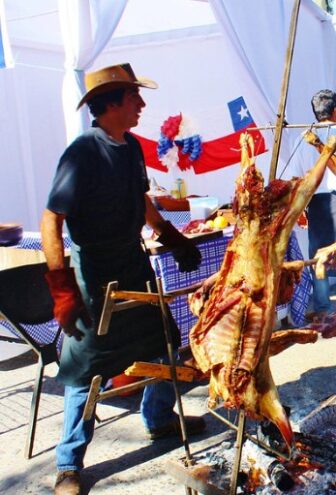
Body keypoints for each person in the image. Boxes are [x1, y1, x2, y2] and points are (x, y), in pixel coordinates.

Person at [41, 63, 206, 495]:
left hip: (135, 267)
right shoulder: (83, 153)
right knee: (85, 369)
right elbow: (51, 218)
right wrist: (61, 287)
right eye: (135, 98)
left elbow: (142, 198)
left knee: (167, 345)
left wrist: (170, 236)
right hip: (96, 279)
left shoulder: (131, 146)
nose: (142, 105)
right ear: (111, 103)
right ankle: (68, 465)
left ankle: (158, 420)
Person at [290, 89, 336, 316]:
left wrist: (300, 208)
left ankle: (323, 307)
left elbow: (297, 178)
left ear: (315, 113)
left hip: (318, 202)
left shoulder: (302, 140)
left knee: (320, 253)